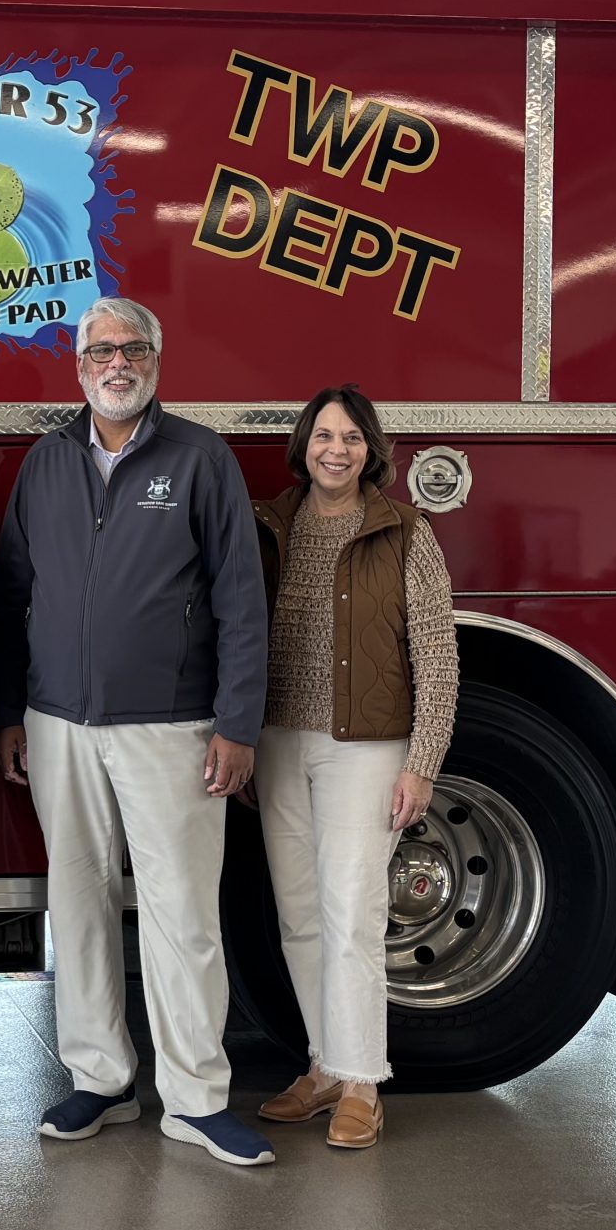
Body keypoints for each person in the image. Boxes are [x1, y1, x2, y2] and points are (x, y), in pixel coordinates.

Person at [0, 296, 274, 1167]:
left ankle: (194, 1097)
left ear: (156, 361)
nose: (118, 362)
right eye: (101, 350)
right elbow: (10, 597)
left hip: (174, 727)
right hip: (58, 724)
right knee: (76, 907)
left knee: (183, 913)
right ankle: (100, 1080)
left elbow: (240, 600)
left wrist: (236, 722)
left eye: (134, 348)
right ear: (78, 369)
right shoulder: (46, 461)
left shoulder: (200, 458)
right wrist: (10, 712)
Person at [249, 385, 457, 1151]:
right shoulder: (270, 524)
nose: (336, 449)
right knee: (300, 915)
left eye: (352, 437)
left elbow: (437, 653)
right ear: (303, 442)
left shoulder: (404, 530)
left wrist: (423, 762)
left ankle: (364, 1081)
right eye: (323, 435)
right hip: (276, 743)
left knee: (354, 917)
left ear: (372, 450)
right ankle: (325, 1064)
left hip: (366, 748)